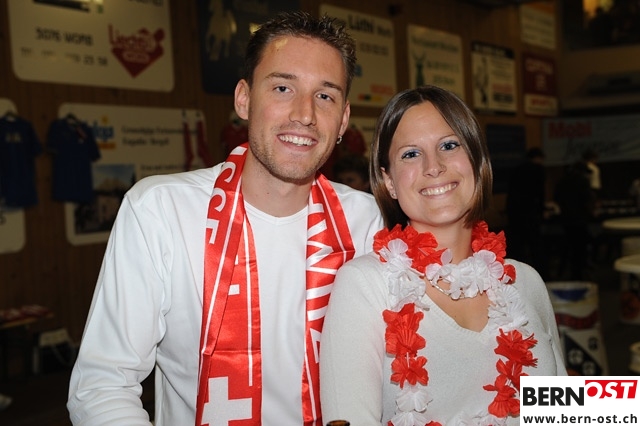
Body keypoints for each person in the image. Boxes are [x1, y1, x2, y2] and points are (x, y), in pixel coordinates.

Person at [67, 11, 383, 426]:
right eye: (283, 88)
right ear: (243, 99)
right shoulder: (161, 210)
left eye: (325, 96)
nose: (304, 114)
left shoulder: (369, 222)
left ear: (343, 119)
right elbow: (102, 385)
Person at [320, 86, 566, 425]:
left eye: (449, 146)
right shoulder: (365, 285)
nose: (433, 166)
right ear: (388, 181)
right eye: (410, 154)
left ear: (477, 161)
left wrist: (623, 406)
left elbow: (565, 413)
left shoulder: (525, 281)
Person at [505, 147, 549, 280]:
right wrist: (542, 210)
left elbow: (511, 191)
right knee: (536, 245)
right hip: (530, 211)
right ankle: (542, 275)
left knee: (517, 245)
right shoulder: (538, 170)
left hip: (515, 211)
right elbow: (540, 193)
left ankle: (516, 275)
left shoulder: (517, 169)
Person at [553, 161, 596, 280]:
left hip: (566, 220)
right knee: (580, 248)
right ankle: (579, 274)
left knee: (570, 246)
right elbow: (586, 199)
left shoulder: (562, 181)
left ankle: (568, 272)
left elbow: (556, 198)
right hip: (580, 219)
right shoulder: (583, 181)